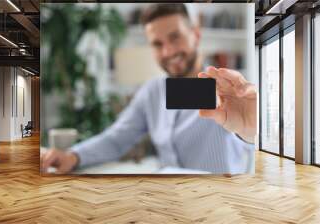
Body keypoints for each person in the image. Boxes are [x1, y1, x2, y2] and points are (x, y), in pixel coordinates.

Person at [41, 3, 257, 174]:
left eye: (175, 37)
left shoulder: (228, 90)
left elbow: (250, 139)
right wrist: (74, 156)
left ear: (196, 35)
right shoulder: (153, 91)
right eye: (157, 43)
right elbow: (117, 137)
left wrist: (250, 128)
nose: (168, 51)